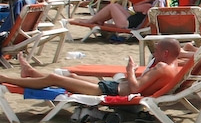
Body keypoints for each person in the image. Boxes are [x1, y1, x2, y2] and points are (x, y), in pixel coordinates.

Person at [3, 39, 181, 97]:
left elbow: (135, 88)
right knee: (71, 77)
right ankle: (31, 72)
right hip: (113, 87)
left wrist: (130, 70)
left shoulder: (161, 67)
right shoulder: (174, 65)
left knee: (54, 78)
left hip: (112, 92)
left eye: (157, 50)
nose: (154, 53)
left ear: (166, 53)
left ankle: (5, 78)